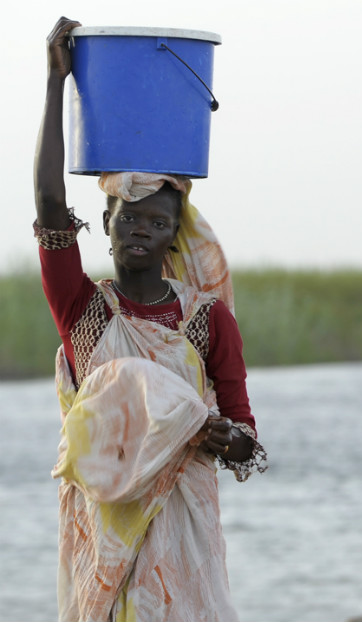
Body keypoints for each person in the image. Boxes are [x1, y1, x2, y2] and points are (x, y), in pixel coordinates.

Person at [35, 17, 265, 621]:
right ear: (105, 225)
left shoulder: (207, 321)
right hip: (103, 519)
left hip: (181, 524)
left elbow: (245, 433)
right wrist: (57, 84)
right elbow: (49, 206)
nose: (141, 228)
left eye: (157, 221)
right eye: (129, 217)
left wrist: (227, 440)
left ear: (173, 236)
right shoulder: (85, 310)